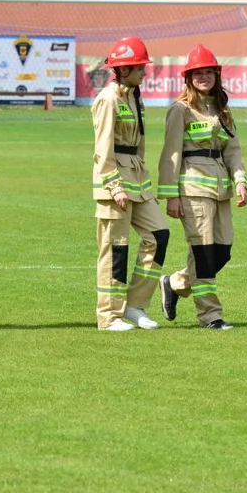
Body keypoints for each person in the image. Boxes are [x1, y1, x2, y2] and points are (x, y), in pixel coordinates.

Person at [157, 44, 247, 330]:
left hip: (221, 190)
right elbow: (170, 154)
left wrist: (241, 179)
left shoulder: (222, 109)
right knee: (204, 254)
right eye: (198, 73)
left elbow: (232, 150)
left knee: (222, 252)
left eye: (209, 72)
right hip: (193, 189)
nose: (204, 77)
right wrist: (171, 196)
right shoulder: (179, 110)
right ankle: (211, 316)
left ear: (216, 75)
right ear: (188, 77)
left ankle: (175, 283)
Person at [90, 36, 169, 332]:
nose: (145, 72)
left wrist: (142, 184)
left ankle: (135, 306)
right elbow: (103, 149)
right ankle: (108, 316)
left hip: (137, 181)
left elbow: (139, 147)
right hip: (115, 184)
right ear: (123, 70)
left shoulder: (135, 97)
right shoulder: (107, 99)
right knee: (116, 250)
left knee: (159, 235)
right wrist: (115, 186)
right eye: (139, 68)